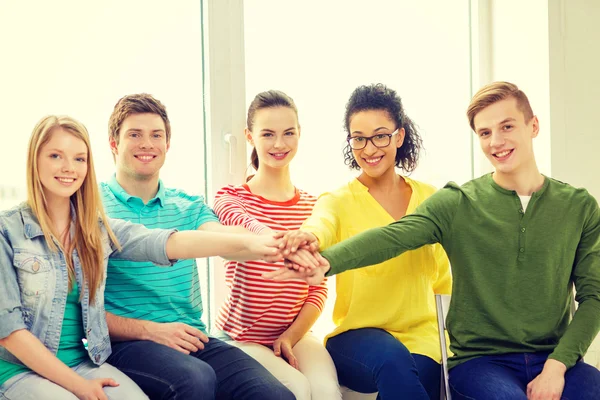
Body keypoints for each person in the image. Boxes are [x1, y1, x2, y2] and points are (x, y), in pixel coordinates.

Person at [269, 81, 600, 400]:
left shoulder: (579, 207)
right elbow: (389, 236)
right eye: (485, 132)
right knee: (398, 366)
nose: (496, 141)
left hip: (462, 346)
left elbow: (593, 297)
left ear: (534, 126)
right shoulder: (458, 202)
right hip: (469, 359)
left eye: (507, 127)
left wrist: (557, 367)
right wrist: (325, 259)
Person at [0, 115, 280, 400]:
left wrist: (262, 242)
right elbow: (9, 332)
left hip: (83, 362)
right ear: (35, 160)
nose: (68, 168)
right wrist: (77, 386)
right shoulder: (7, 231)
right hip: (20, 368)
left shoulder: (95, 230)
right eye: (55, 155)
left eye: (79, 159)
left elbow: (167, 243)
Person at [100, 94, 295, 400]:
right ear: (114, 143)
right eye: (134, 135)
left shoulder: (188, 205)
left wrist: (281, 246)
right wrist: (150, 330)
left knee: (274, 395)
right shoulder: (93, 207)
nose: (147, 144)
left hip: (191, 337)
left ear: (168, 144)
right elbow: (82, 310)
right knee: (195, 379)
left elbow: (226, 243)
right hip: (127, 342)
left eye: (156, 135)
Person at [279, 83, 451, 400]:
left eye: (380, 135)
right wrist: (308, 237)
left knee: (413, 375)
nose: (369, 149)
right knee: (392, 361)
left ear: (399, 136)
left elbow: (445, 283)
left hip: (422, 338)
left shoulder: (431, 200)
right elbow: (322, 224)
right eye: (358, 138)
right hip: (356, 339)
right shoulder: (338, 200)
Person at [212, 90, 341, 400]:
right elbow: (238, 222)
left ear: (300, 135)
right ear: (249, 136)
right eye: (268, 134)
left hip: (296, 335)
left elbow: (318, 288)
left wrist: (290, 336)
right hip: (242, 340)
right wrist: (280, 240)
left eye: (288, 133)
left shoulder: (314, 206)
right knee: (295, 390)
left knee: (324, 393)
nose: (279, 144)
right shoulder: (232, 197)